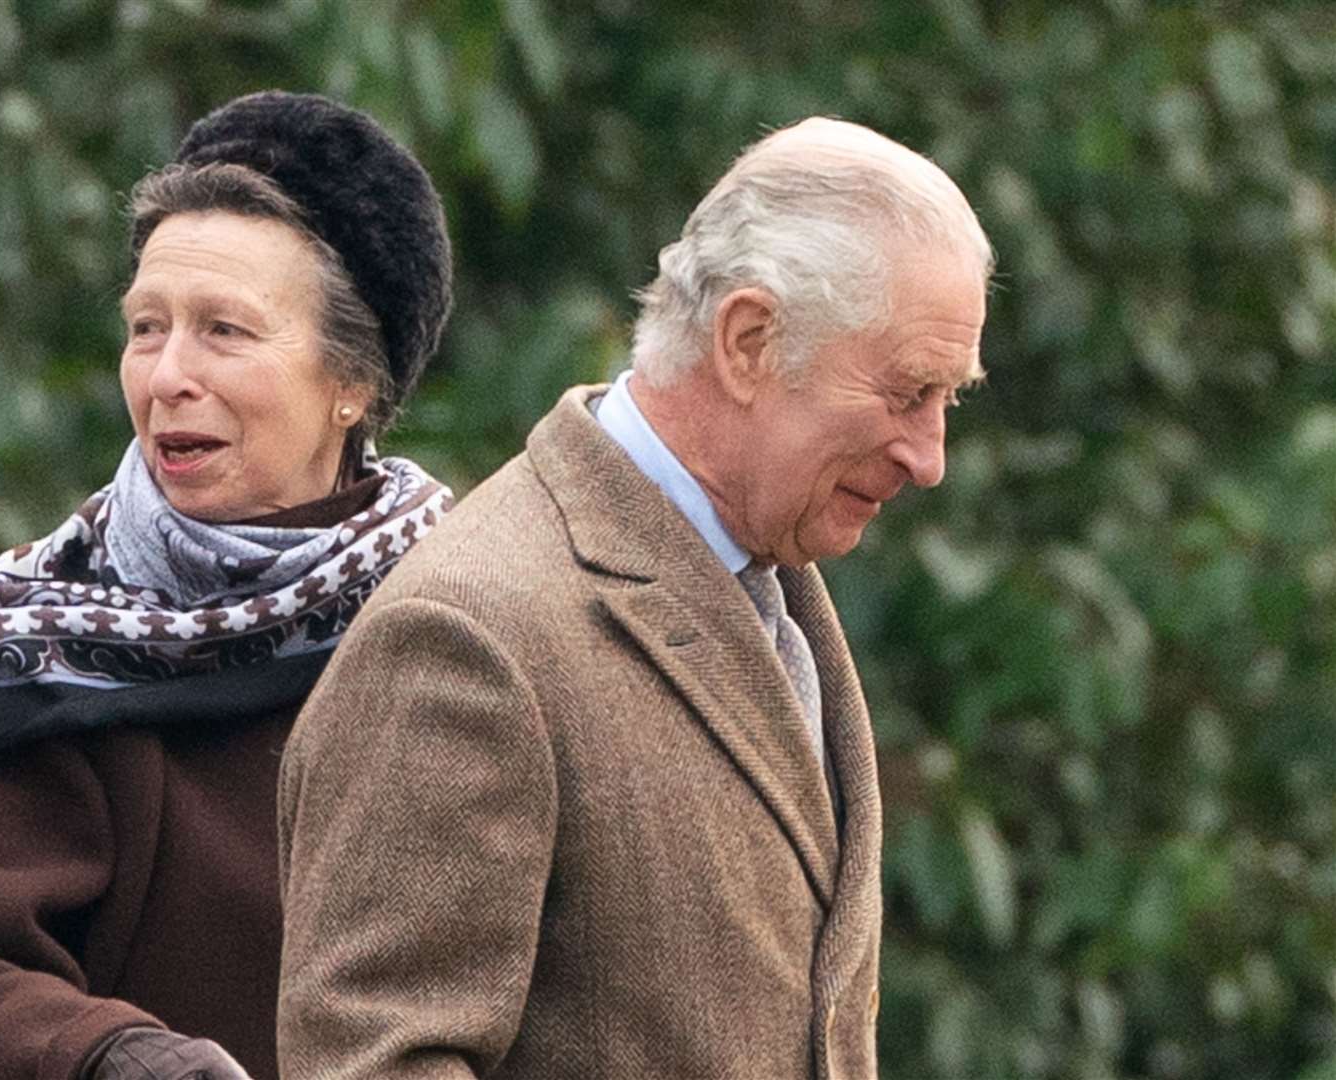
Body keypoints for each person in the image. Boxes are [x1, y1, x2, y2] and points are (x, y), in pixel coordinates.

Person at [275, 116, 993, 1079]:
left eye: (950, 400)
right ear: (748, 341)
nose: (931, 457)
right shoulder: (465, 638)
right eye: (909, 393)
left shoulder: (772, 580)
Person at [0, 91, 455, 1080]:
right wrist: (119, 1059)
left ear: (351, 382)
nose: (168, 374)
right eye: (148, 327)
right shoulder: (27, 639)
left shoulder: (467, 614)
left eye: (223, 330)